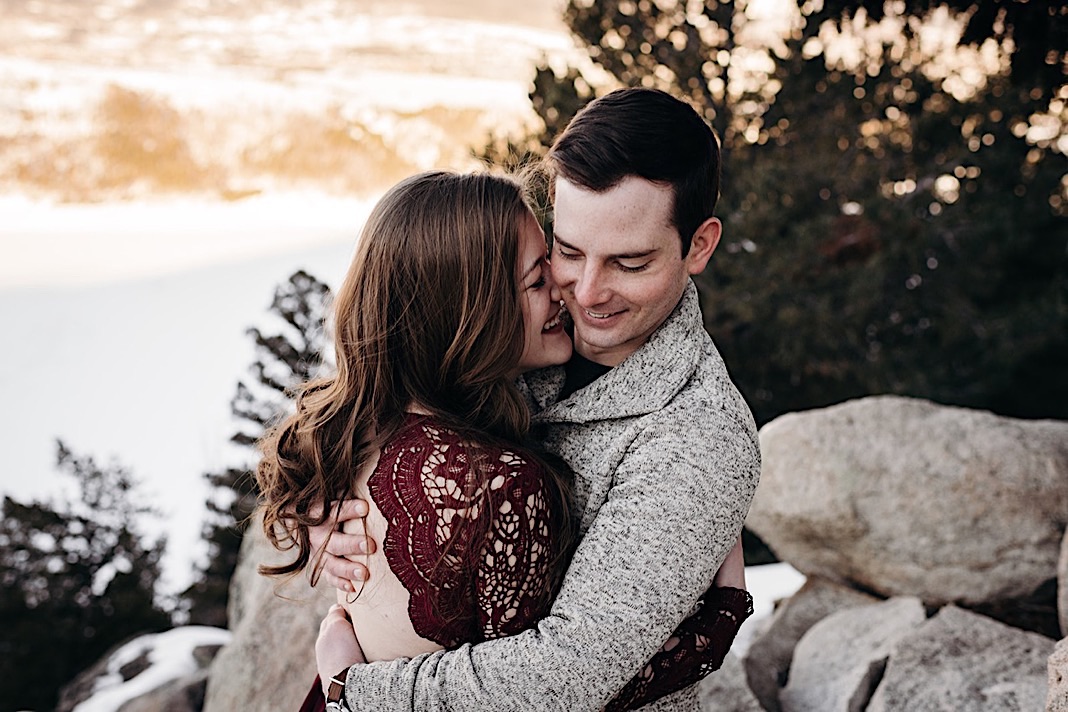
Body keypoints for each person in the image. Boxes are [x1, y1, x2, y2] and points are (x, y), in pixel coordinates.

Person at [311, 87, 762, 711]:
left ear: (700, 246)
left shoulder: (696, 437)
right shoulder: (510, 338)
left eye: (629, 263)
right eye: (569, 251)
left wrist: (353, 689)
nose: (587, 292)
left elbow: (567, 675)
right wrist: (334, 517)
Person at [254, 171, 577, 708]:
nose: (564, 288)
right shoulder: (498, 486)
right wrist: (711, 619)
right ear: (469, 315)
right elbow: (546, 694)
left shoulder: (360, 434)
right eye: (537, 281)